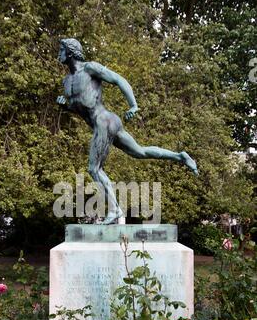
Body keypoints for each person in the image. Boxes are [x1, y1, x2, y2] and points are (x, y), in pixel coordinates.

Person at [57, 38, 198, 224]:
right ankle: (180, 156)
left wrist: (133, 105)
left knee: (94, 168)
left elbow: (118, 79)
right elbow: (82, 108)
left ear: (70, 51)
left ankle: (115, 210)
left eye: (61, 50)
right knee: (140, 152)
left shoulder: (90, 68)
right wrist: (66, 107)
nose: (58, 54)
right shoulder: (67, 81)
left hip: (104, 120)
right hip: (105, 123)